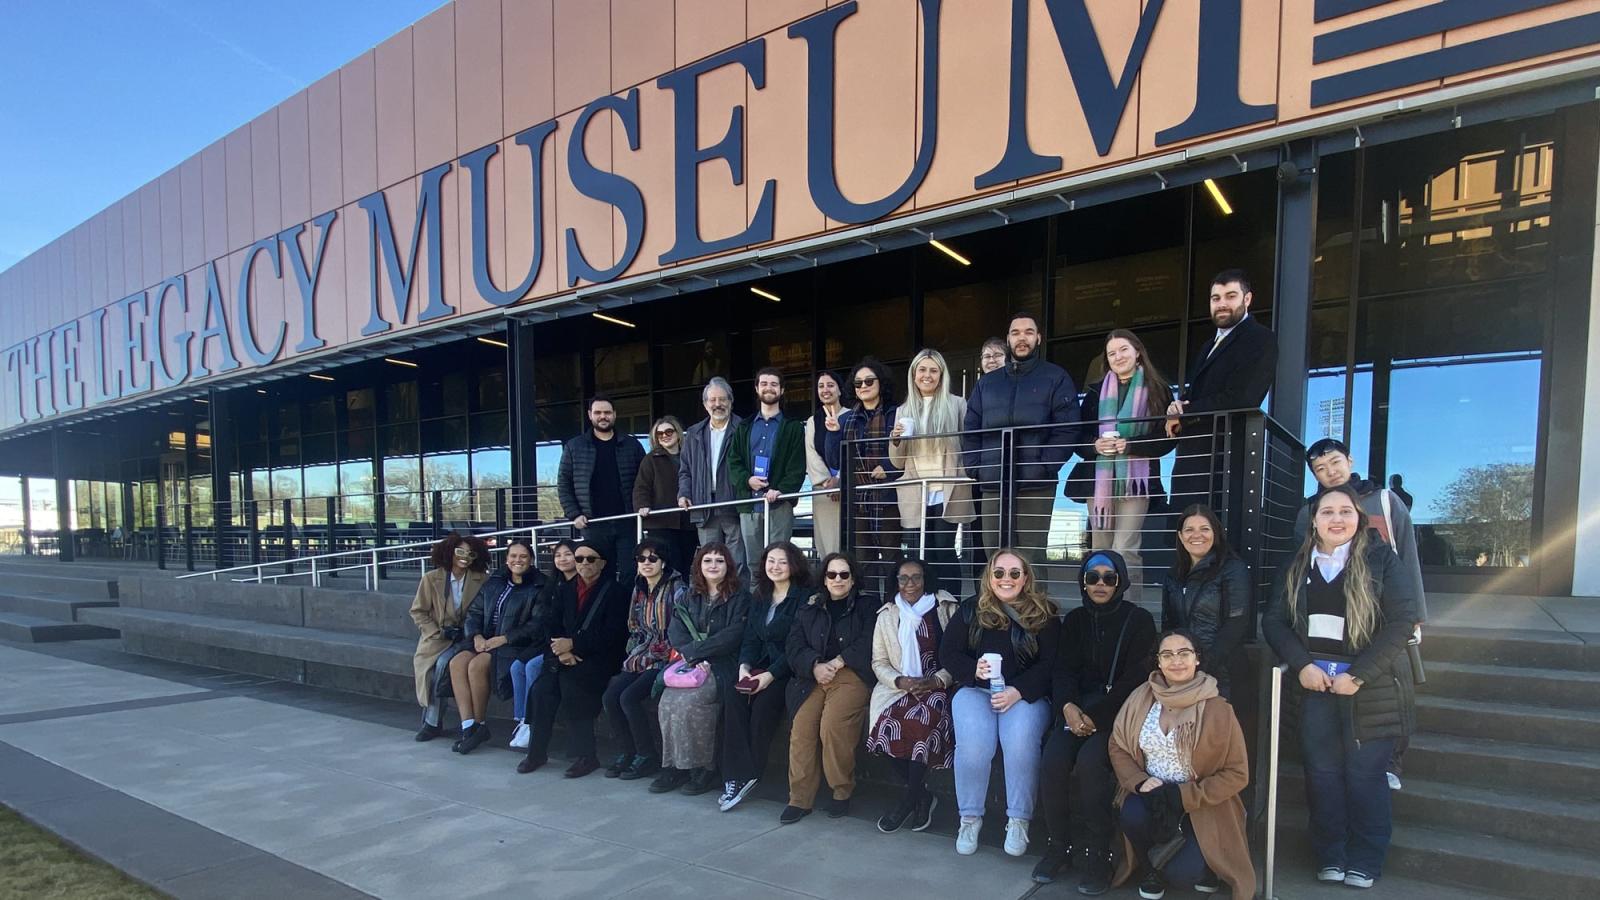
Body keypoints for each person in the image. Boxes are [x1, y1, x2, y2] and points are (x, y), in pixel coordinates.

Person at [1262, 484, 1419, 890]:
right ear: (1313, 521)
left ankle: (1366, 859)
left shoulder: (1382, 559)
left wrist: (1360, 675)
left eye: (1345, 511)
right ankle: (1331, 854)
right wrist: (1302, 665)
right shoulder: (1297, 565)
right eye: (1327, 512)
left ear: (1358, 518)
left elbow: (1403, 622)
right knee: (1323, 775)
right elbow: (1274, 621)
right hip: (1315, 686)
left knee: (1365, 776)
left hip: (1370, 688)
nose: (1336, 519)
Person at [1297, 437, 1428, 789]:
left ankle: (1392, 762)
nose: (1330, 472)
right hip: (1336, 618)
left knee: (1394, 683)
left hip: (1389, 606)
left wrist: (1415, 612)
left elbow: (1408, 555)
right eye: (1320, 469)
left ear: (1350, 460)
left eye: (1335, 463)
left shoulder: (1384, 500)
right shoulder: (1308, 512)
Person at [1034, 550, 1158, 891]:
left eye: (1109, 577)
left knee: (1092, 764)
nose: (1100, 584)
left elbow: (1136, 679)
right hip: (1076, 711)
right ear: (1083, 583)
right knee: (1053, 759)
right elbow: (1063, 671)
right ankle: (1059, 846)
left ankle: (1098, 853)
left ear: (1120, 582)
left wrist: (1095, 716)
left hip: (1117, 715)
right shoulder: (1074, 621)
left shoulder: (1139, 621)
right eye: (1093, 577)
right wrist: (1069, 708)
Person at [1107, 630, 1254, 899]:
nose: (1177, 661)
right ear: (1158, 663)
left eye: (1184, 653)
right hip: (1151, 793)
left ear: (1197, 659)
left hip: (1200, 805)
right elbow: (1118, 745)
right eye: (1167, 655)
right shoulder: (1142, 697)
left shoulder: (1219, 709)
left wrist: (1184, 795)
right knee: (1131, 814)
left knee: (1181, 877)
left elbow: (1237, 773)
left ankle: (1203, 865)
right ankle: (1151, 867)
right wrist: (1137, 779)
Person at [942, 549, 1062, 858]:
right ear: (989, 577)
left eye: (1013, 573)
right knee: (973, 747)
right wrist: (974, 671)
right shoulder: (971, 610)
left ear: (1025, 578)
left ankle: (1019, 819)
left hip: (1024, 695)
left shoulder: (1043, 614)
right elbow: (948, 654)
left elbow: (1051, 664)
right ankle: (969, 818)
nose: (1005, 579)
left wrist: (1018, 690)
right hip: (976, 692)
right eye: (999, 573)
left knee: (1020, 743)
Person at [962, 311, 1080, 584]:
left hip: (1036, 485)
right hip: (992, 484)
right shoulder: (986, 383)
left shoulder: (1055, 377)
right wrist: (976, 469)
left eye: (1028, 332)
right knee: (995, 559)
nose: (1022, 338)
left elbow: (1068, 427)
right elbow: (971, 429)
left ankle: (1035, 622)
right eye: (1015, 333)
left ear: (1038, 338)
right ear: (1008, 340)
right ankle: (996, 621)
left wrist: (1044, 466)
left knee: (1031, 561)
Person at [1166, 270, 1278, 508]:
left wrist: (1185, 412)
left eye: (1230, 296)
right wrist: (1176, 406)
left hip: (1224, 462)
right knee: (1182, 535)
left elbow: (1243, 397)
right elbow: (1196, 392)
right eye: (1216, 298)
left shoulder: (1260, 338)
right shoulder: (1209, 345)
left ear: (1247, 299)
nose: (1222, 304)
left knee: (1217, 536)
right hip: (1192, 461)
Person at [517, 541, 629, 778]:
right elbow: (550, 624)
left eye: (590, 559)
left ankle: (586, 756)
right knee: (541, 689)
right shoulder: (564, 589)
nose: (584, 563)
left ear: (602, 563)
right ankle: (536, 753)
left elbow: (613, 633)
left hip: (600, 658)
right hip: (563, 655)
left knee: (573, 687)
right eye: (579, 559)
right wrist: (563, 651)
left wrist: (575, 645)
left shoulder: (616, 591)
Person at [1079, 330, 1176, 599]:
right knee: (1100, 549)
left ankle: (1129, 610)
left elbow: (1167, 440)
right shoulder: (1095, 393)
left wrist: (1131, 445)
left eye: (1123, 350)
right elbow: (1078, 437)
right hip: (1099, 482)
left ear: (1137, 352)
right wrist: (1095, 446)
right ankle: (1098, 607)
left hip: (1136, 482)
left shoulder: (1158, 390)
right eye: (1112, 353)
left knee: (1125, 547)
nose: (1118, 356)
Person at [867, 556, 960, 834]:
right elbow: (878, 661)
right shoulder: (887, 615)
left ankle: (908, 800)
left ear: (925, 578)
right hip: (898, 688)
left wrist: (936, 680)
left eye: (916, 577)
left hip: (938, 685)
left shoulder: (946, 608)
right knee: (882, 729)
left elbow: (958, 655)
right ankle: (922, 795)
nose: (910, 584)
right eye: (903, 578)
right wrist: (901, 680)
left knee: (919, 724)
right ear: (895, 581)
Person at [782, 551, 877, 824]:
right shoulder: (809, 608)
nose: (838, 579)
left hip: (850, 674)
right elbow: (794, 645)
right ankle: (799, 799)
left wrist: (837, 661)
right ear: (823, 579)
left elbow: (869, 641)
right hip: (814, 677)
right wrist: (813, 666)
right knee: (801, 730)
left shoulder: (867, 606)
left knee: (832, 726)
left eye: (844, 574)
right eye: (832, 574)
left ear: (853, 578)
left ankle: (841, 791)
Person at [651, 542, 751, 796]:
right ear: (699, 565)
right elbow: (676, 630)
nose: (713, 565)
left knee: (692, 704)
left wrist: (699, 651)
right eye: (708, 561)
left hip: (723, 664)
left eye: (719, 560)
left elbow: (735, 634)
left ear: (728, 565)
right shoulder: (688, 595)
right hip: (692, 664)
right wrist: (693, 654)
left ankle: (705, 769)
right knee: (667, 702)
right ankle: (673, 765)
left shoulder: (740, 595)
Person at [719, 541, 809, 812]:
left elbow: (797, 645)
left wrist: (770, 675)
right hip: (759, 667)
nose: (775, 567)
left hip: (789, 670)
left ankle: (750, 773)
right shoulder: (760, 596)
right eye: (771, 561)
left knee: (762, 708)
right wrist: (744, 666)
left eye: (782, 561)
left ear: (793, 565)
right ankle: (733, 775)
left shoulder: (804, 597)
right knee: (731, 698)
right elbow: (750, 638)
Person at [447, 540, 545, 754]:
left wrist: (504, 639)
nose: (517, 560)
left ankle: (480, 725)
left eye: (523, 557)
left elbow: (537, 624)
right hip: (483, 640)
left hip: (512, 644)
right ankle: (468, 726)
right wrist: (476, 636)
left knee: (476, 666)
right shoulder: (496, 581)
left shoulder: (539, 585)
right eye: (513, 556)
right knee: (456, 663)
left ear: (531, 560)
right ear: (506, 559)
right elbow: (474, 612)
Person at [601, 538, 687, 780]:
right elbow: (634, 626)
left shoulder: (677, 589)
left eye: (653, 558)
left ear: (663, 562)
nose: (646, 563)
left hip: (667, 657)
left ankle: (646, 755)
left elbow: (680, 630)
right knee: (610, 697)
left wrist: (654, 653)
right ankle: (627, 752)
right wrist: (637, 651)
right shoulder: (639, 588)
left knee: (629, 698)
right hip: (641, 654)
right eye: (641, 559)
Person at [890, 348, 975, 592]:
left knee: (944, 547)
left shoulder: (958, 404)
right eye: (922, 370)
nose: (927, 375)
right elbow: (898, 462)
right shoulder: (903, 410)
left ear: (941, 375)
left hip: (948, 488)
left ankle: (950, 602)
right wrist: (896, 440)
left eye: (933, 370)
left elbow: (968, 445)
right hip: (916, 491)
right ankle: (927, 601)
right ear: (914, 374)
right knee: (921, 552)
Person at [827, 357, 901, 596]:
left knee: (891, 557)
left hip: (888, 496)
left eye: (869, 381)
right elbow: (835, 460)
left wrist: (888, 467)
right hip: (859, 499)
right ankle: (869, 610)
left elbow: (905, 453)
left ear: (881, 383)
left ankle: (892, 607)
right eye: (858, 383)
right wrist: (833, 434)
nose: (863, 386)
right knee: (862, 560)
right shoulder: (847, 419)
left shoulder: (895, 414)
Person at [1160, 505, 1251, 699]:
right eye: (1189, 530)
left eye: (1204, 529)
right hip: (1182, 671)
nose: (1197, 535)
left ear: (1215, 533)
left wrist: (1202, 665)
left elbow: (1236, 624)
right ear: (1180, 536)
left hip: (1223, 673)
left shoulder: (1233, 569)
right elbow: (1169, 625)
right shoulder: (1173, 574)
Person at [410, 533, 491, 742]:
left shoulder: (481, 579)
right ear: (449, 551)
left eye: (471, 553)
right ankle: (432, 721)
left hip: (467, 638)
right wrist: (435, 632)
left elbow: (485, 612)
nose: (465, 557)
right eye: (460, 551)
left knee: (443, 666)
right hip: (437, 637)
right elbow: (419, 611)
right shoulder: (431, 578)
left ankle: (432, 722)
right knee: (431, 669)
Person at [559, 393, 646, 587]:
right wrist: (574, 514)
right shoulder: (575, 446)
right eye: (598, 412)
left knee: (629, 574)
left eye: (607, 412)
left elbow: (644, 480)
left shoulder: (632, 444)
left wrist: (642, 506)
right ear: (590, 415)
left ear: (614, 415)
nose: (603, 416)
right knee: (597, 575)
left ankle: (626, 616)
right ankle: (602, 617)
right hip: (593, 523)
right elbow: (564, 483)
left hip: (627, 522)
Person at [727, 367, 808, 574]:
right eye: (764, 384)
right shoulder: (743, 427)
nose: (768, 388)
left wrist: (781, 489)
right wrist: (747, 480)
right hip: (750, 505)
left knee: (780, 564)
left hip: (778, 506)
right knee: (755, 566)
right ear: (756, 388)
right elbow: (733, 462)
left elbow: (797, 466)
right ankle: (758, 606)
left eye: (774, 384)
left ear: (781, 390)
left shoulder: (793, 428)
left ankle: (780, 606)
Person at [510, 539, 577, 749]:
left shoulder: (581, 583)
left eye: (568, 554)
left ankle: (533, 723)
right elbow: (546, 620)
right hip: (547, 640)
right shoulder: (553, 583)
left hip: (567, 643)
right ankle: (522, 720)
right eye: (558, 555)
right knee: (516, 667)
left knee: (532, 666)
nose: (563, 559)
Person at [678, 377, 746, 573]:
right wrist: (683, 494)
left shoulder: (743, 429)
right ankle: (713, 601)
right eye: (713, 400)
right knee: (710, 563)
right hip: (704, 505)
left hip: (733, 505)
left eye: (722, 399)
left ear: (731, 402)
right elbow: (685, 470)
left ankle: (735, 602)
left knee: (737, 563)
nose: (718, 404)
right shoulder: (693, 433)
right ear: (705, 404)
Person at [634, 415, 695, 576]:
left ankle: (683, 600)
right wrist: (642, 505)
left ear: (678, 433)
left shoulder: (690, 456)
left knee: (687, 566)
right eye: (660, 434)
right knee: (668, 566)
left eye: (669, 431)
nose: (665, 436)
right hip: (661, 523)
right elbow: (642, 486)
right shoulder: (651, 459)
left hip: (688, 522)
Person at [804, 370, 847, 557]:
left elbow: (853, 452)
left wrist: (840, 479)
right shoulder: (813, 421)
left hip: (847, 489)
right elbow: (810, 452)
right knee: (827, 542)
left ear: (839, 390)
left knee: (848, 539)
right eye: (821, 386)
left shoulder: (851, 416)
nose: (825, 390)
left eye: (830, 385)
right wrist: (827, 482)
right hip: (824, 491)